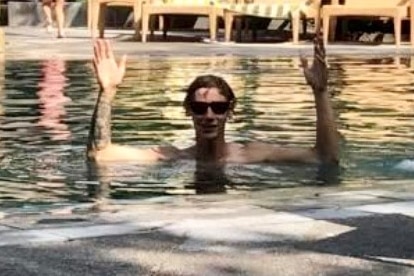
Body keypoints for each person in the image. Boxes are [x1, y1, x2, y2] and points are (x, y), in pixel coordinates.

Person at [87, 37, 339, 166]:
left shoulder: (253, 155)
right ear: (189, 111)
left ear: (230, 112)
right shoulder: (173, 157)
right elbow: (100, 155)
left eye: (218, 108)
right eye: (200, 108)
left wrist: (321, 93)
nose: (209, 115)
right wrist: (107, 92)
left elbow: (324, 159)